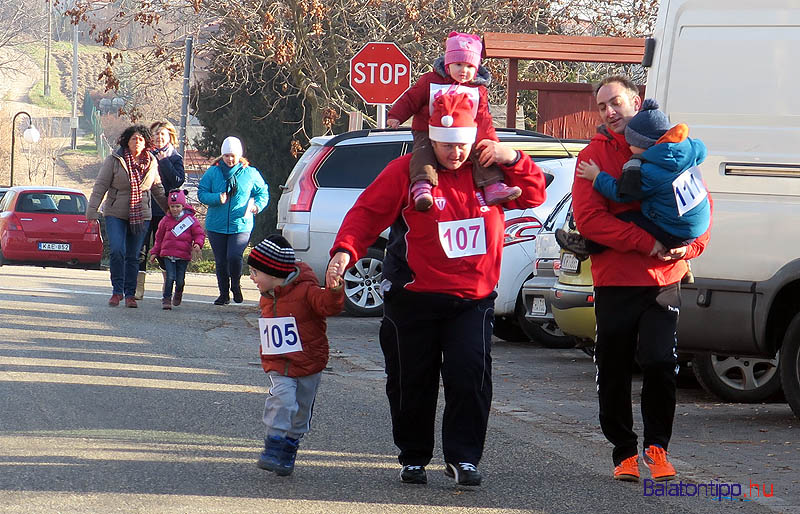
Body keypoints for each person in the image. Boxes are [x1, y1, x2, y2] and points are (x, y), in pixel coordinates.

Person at [326, 92, 547, 486]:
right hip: (413, 298)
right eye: (446, 145)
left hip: (472, 299)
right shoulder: (406, 172)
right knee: (412, 380)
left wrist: (511, 157)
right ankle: (413, 455)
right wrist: (344, 252)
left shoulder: (488, 172)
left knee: (470, 376)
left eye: (462, 144)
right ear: (431, 139)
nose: (456, 153)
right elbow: (366, 214)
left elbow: (534, 194)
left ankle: (464, 458)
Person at [570, 76, 711, 483]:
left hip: (665, 279)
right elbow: (591, 221)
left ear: (637, 101)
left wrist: (691, 248)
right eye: (602, 107)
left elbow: (698, 206)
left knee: (660, 362)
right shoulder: (591, 157)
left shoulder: (671, 147)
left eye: (615, 102)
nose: (609, 112)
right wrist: (647, 243)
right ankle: (623, 452)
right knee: (613, 365)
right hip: (616, 279)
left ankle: (657, 448)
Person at [556, 99, 710, 267]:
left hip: (673, 234)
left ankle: (587, 245)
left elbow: (622, 193)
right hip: (695, 230)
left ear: (645, 145)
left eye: (632, 144)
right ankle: (685, 266)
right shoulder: (687, 151)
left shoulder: (651, 172)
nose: (628, 148)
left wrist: (597, 177)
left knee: (625, 217)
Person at [386, 31, 521, 211]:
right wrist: (396, 116)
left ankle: (492, 185)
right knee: (423, 153)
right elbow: (410, 99)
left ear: (476, 69)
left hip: (465, 134)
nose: (464, 71)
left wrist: (491, 142)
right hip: (427, 130)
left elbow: (483, 119)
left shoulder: (478, 90)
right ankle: (422, 187)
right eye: (458, 64)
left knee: (482, 153)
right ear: (448, 64)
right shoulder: (430, 81)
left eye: (469, 67)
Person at [248, 234, 344, 476]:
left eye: (255, 272)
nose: (251, 277)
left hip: (309, 362)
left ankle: (289, 449)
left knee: (301, 409)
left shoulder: (306, 290)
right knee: (282, 398)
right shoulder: (268, 295)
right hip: (279, 362)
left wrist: (334, 291)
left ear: (273, 273)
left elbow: (328, 306)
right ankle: (273, 443)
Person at [88, 124, 168, 308]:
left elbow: (157, 188)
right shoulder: (114, 160)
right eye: (134, 138)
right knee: (117, 250)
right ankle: (117, 291)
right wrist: (92, 211)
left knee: (134, 256)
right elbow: (100, 186)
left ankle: (130, 294)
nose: (137, 142)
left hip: (142, 214)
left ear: (146, 142)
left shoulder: (152, 162)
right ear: (127, 141)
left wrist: (170, 210)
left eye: (141, 139)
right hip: (116, 212)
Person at [198, 136, 269, 305]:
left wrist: (257, 206)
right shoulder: (213, 172)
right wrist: (217, 198)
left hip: (241, 224)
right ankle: (223, 294)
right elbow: (202, 193)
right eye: (226, 155)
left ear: (239, 156)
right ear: (222, 156)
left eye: (233, 156)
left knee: (234, 256)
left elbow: (263, 192)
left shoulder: (250, 173)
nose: (230, 159)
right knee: (221, 261)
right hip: (216, 225)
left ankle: (235, 286)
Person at [135, 121, 185, 300]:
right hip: (144, 208)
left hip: (165, 211)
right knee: (141, 247)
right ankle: (138, 287)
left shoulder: (174, 157)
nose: (158, 137)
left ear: (170, 137)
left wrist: (163, 161)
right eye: (155, 134)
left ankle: (168, 285)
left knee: (165, 248)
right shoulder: (144, 156)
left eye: (162, 134)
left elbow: (176, 181)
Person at [148, 189, 205, 310]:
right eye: (172, 206)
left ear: (183, 206)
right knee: (170, 277)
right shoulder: (165, 221)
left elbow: (199, 234)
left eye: (177, 206)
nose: (175, 209)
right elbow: (159, 238)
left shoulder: (190, 220)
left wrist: (198, 244)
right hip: (168, 254)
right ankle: (166, 299)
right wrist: (154, 252)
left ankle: (178, 292)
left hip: (183, 255)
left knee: (180, 280)